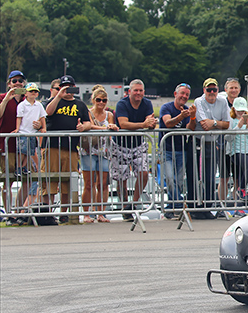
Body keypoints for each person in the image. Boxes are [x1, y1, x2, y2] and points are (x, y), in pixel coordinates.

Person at [39, 75, 92, 224]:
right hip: (52, 146)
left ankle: (64, 212)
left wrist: (83, 127)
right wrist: (58, 96)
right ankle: (47, 212)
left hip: (70, 148)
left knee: (67, 182)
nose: (68, 91)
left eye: (71, 87)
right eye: (65, 87)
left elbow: (88, 122)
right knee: (49, 180)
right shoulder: (53, 101)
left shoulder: (80, 104)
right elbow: (48, 112)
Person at [111, 79, 156, 220]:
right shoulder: (122, 104)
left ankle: (133, 204)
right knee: (121, 178)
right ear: (129, 91)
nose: (138, 93)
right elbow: (123, 123)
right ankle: (125, 206)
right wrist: (144, 124)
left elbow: (150, 121)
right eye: (135, 90)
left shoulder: (147, 103)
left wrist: (151, 124)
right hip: (120, 145)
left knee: (143, 173)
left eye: (141, 90)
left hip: (138, 144)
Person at [80, 86, 118, 223]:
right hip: (89, 151)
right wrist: (105, 128)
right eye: (98, 100)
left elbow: (112, 126)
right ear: (93, 100)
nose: (101, 103)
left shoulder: (109, 115)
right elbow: (89, 126)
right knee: (89, 183)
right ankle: (86, 213)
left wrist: (112, 127)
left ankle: (100, 212)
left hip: (105, 151)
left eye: (104, 100)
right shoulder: (88, 113)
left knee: (103, 184)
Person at [193, 78, 231, 217]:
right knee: (198, 175)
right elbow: (204, 124)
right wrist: (217, 123)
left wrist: (213, 122)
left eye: (214, 89)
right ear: (204, 90)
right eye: (209, 90)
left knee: (210, 176)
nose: (212, 92)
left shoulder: (222, 101)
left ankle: (208, 207)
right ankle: (196, 206)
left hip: (213, 142)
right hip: (198, 142)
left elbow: (227, 124)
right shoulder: (198, 101)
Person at [159, 83, 197, 218]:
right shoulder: (166, 107)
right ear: (175, 94)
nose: (184, 96)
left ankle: (172, 207)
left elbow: (190, 128)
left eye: (187, 95)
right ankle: (179, 205)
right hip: (166, 149)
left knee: (179, 181)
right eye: (182, 93)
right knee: (169, 178)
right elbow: (167, 123)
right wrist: (181, 116)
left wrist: (192, 117)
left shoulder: (187, 110)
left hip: (181, 149)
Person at [0, 70, 28, 218]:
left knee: (29, 179)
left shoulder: (28, 99)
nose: (17, 83)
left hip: (25, 147)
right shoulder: (2, 98)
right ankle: (9, 212)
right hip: (7, 145)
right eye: (14, 81)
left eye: (20, 81)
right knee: (8, 180)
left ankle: (18, 210)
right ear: (9, 83)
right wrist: (7, 98)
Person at [226, 97, 248, 203]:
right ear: (234, 110)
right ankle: (241, 189)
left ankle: (238, 204)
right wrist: (238, 127)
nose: (241, 113)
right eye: (238, 110)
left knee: (239, 178)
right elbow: (228, 138)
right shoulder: (231, 121)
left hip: (247, 151)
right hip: (236, 152)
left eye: (243, 111)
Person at [218, 78, 242, 204]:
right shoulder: (222, 103)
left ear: (239, 89)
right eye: (231, 88)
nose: (233, 90)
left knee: (237, 178)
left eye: (235, 88)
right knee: (224, 177)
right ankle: (222, 205)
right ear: (226, 90)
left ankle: (236, 204)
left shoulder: (243, 104)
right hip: (223, 144)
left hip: (238, 146)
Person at [14, 82, 47, 176]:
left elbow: (43, 117)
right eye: (31, 91)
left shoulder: (39, 105)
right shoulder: (22, 105)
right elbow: (19, 117)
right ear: (26, 93)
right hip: (23, 132)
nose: (33, 93)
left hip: (32, 133)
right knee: (22, 152)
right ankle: (18, 167)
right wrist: (17, 129)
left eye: (35, 91)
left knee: (29, 151)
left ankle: (23, 167)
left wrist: (43, 128)